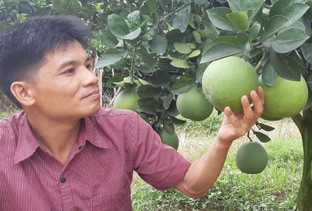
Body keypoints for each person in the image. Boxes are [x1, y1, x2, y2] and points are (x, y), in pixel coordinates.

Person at [0, 15, 264, 210]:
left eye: (88, 65)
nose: (91, 78)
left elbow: (191, 184)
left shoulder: (122, 128)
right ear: (24, 92)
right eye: (70, 71)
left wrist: (223, 139)